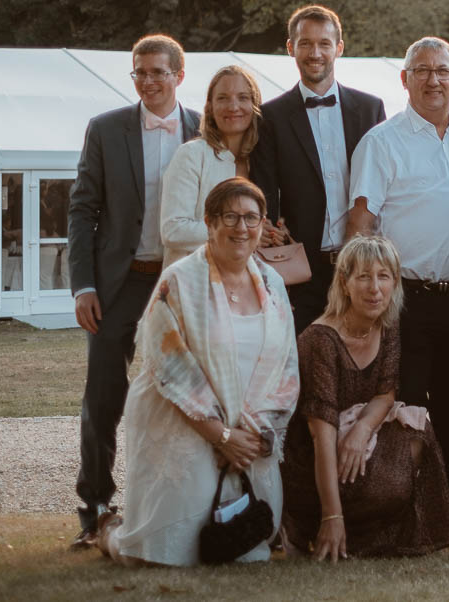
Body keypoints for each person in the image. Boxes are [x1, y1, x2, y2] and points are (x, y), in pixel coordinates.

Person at [98, 178, 300, 566]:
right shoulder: (179, 280)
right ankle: (111, 534)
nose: (241, 228)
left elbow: (286, 368)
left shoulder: (273, 283)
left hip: (249, 434)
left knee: (244, 556)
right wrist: (220, 435)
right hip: (183, 422)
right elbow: (167, 365)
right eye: (230, 217)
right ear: (209, 223)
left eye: (251, 218)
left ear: (263, 226)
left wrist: (252, 435)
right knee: (158, 557)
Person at [347, 37, 449, 545]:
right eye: (423, 70)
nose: (435, 80)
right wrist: (363, 302)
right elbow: (361, 227)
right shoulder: (382, 143)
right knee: (405, 410)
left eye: (444, 71)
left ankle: (448, 519)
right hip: (408, 299)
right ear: (404, 79)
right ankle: (399, 516)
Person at [67, 34, 200, 549]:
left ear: (179, 76)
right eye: (140, 72)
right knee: (102, 395)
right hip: (119, 284)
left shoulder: (204, 130)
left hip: (180, 284)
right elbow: (82, 210)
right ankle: (95, 505)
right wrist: (83, 285)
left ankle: (178, 506)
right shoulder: (105, 129)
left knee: (184, 392)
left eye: (158, 72)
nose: (148, 81)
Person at [280, 235, 449, 559]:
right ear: (344, 283)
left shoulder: (386, 324)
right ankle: (316, 523)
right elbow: (320, 433)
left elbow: (385, 393)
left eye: (383, 276)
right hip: (312, 449)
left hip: (354, 431)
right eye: (363, 276)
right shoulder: (321, 339)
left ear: (394, 283)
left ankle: (371, 536)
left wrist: (361, 431)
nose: (374, 288)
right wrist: (332, 516)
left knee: (418, 437)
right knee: (373, 480)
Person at [250, 4, 386, 335]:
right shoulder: (270, 117)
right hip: (300, 271)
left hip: (362, 266)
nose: (315, 53)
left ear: (339, 48)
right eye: (306, 43)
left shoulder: (370, 109)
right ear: (290, 48)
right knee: (303, 371)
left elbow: (387, 188)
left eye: (324, 43)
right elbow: (265, 196)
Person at [160, 65, 263, 266]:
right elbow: (173, 230)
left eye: (243, 97)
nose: (233, 107)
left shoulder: (264, 160)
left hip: (251, 283)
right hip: (195, 283)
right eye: (223, 98)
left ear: (255, 105)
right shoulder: (191, 155)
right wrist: (241, 229)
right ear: (210, 107)